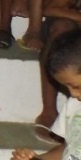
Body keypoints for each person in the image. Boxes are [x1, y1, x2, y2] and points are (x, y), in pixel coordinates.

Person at [12, 28, 81, 159]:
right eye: (66, 87)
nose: (72, 94)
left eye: (76, 86)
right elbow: (67, 149)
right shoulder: (73, 106)